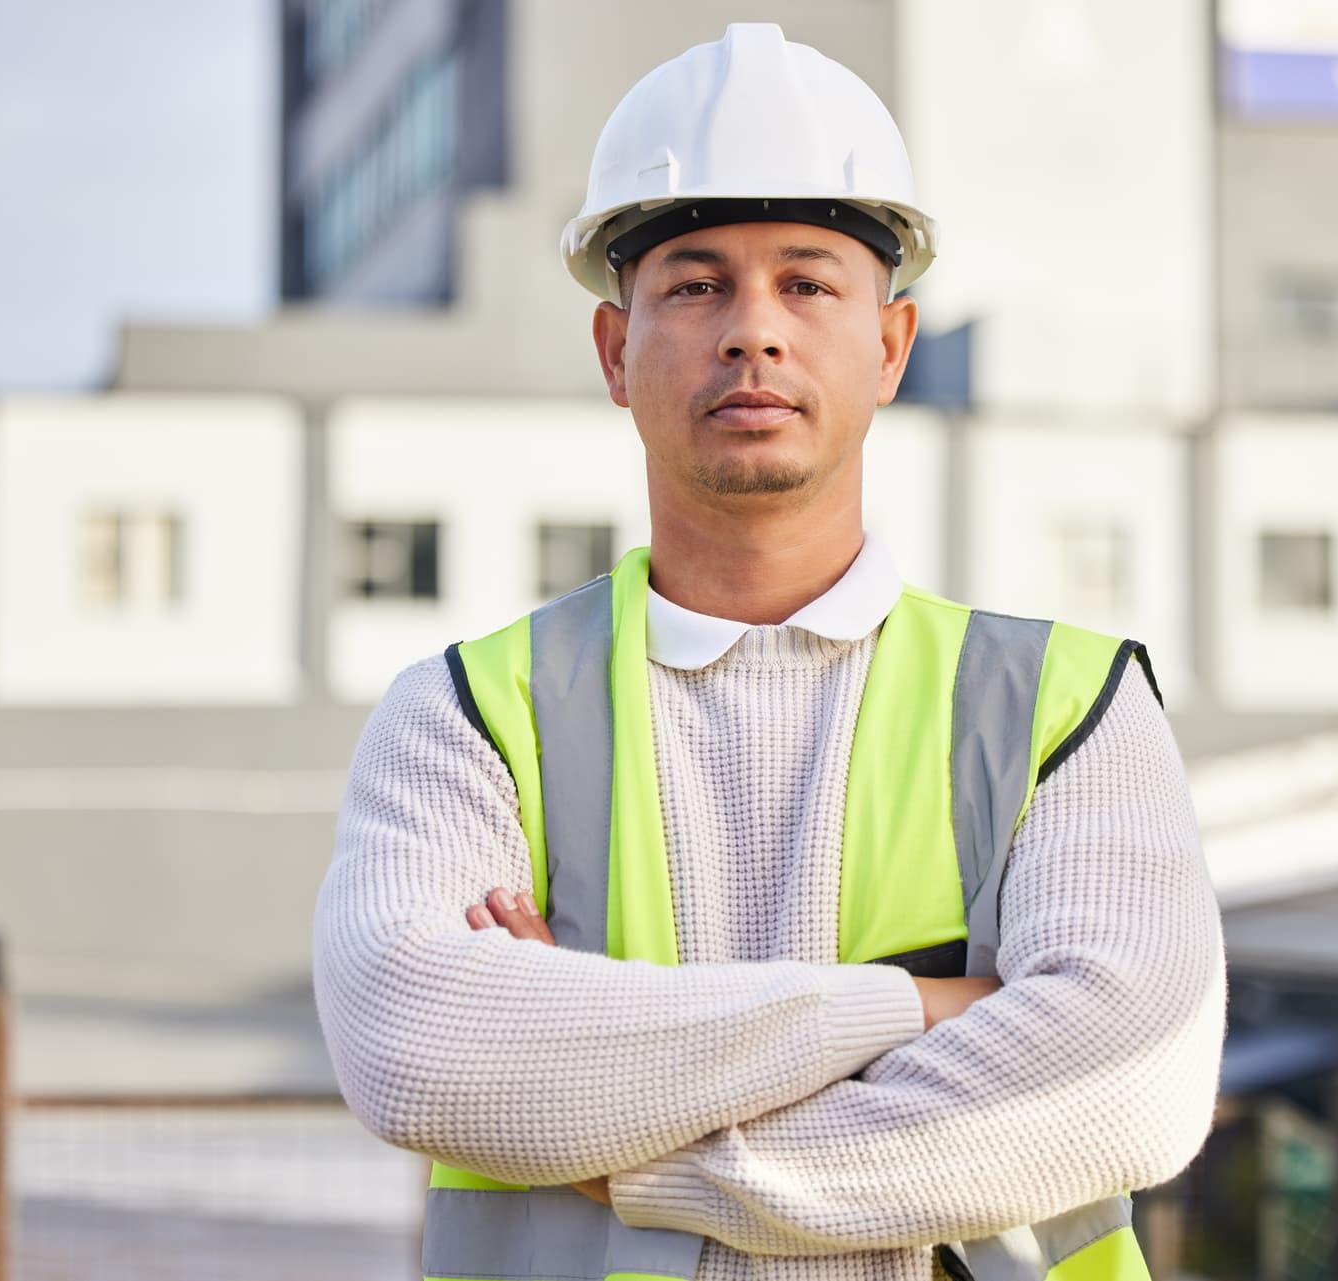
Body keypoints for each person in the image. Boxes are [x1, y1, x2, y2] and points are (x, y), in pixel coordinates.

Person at [312, 22, 1226, 1281]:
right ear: (613, 352)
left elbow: (1130, 1086)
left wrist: (622, 1137)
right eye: (694, 283)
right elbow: (418, 1048)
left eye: (807, 282)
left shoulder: (1067, 710)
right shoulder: (467, 715)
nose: (753, 330)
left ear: (892, 346)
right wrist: (921, 1012)